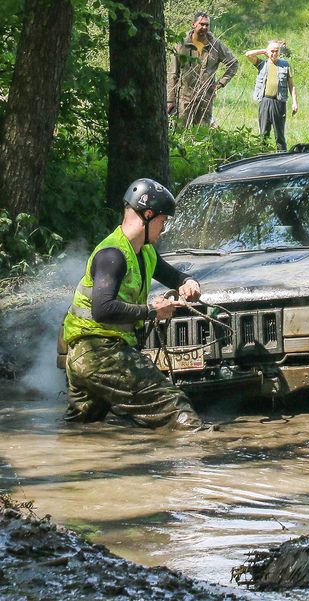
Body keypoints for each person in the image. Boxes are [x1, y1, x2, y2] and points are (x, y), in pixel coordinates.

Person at [62, 179, 204, 430]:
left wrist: (187, 282)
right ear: (148, 216)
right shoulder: (112, 255)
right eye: (163, 221)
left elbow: (172, 275)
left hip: (86, 358)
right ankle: (200, 449)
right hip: (99, 352)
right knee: (174, 406)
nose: (164, 228)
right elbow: (103, 309)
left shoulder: (145, 251)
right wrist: (152, 311)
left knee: (82, 428)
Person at [167, 12, 238, 128]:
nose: (205, 27)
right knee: (179, 130)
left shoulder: (216, 45)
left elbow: (233, 63)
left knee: (201, 132)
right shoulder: (182, 44)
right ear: (194, 24)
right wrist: (170, 100)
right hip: (184, 98)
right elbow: (173, 73)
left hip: (205, 98)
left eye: (207, 25)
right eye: (202, 24)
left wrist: (219, 84)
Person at [245, 40, 299, 151]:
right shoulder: (261, 64)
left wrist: (294, 102)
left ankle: (282, 155)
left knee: (280, 134)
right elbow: (248, 54)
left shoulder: (285, 65)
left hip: (279, 102)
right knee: (263, 132)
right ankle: (263, 154)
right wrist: (263, 51)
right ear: (268, 51)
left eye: (276, 51)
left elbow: (291, 85)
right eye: (272, 51)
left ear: (279, 52)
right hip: (265, 101)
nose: (274, 53)